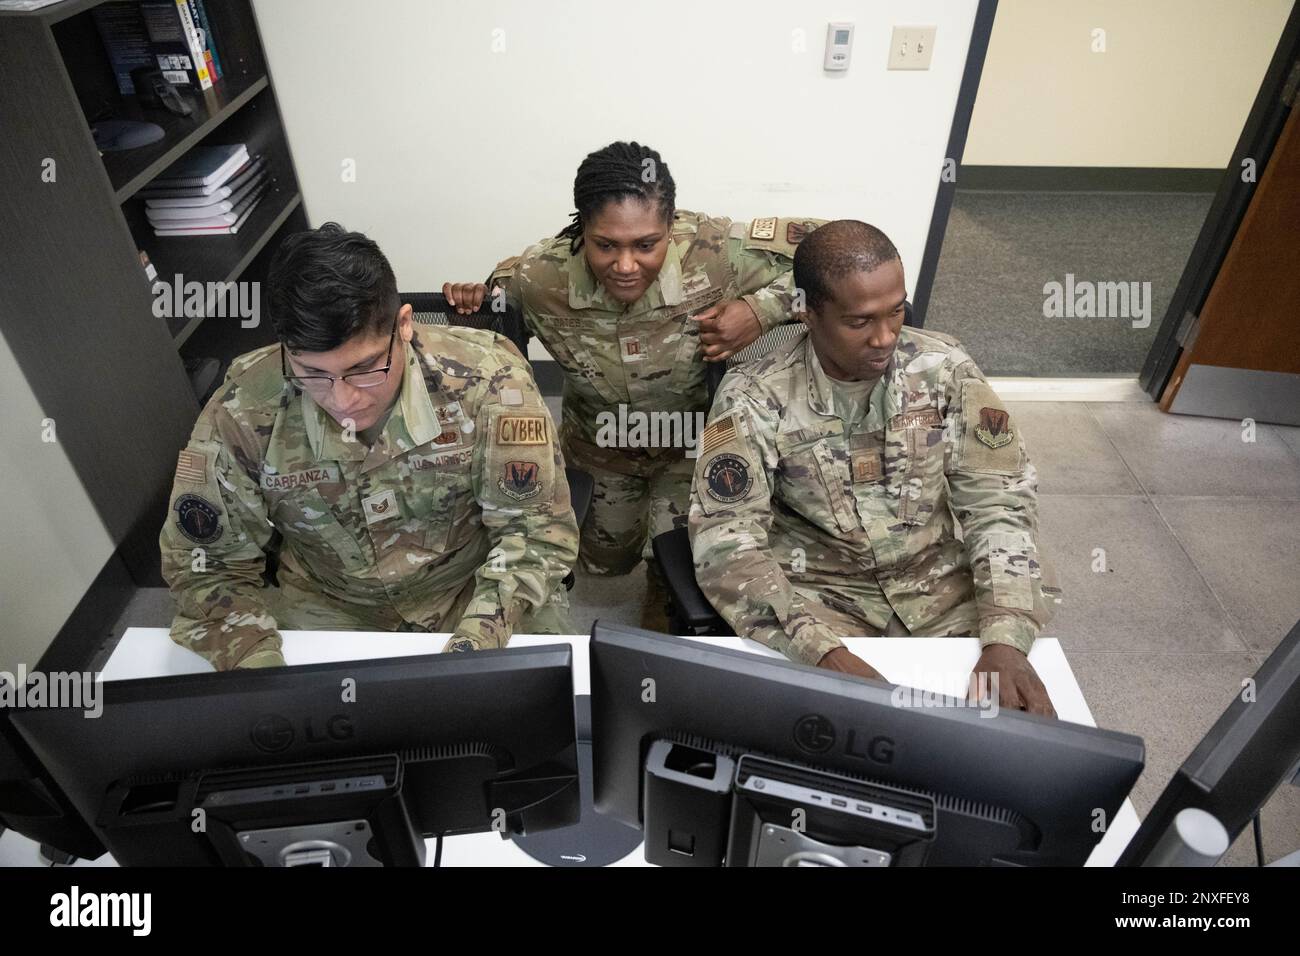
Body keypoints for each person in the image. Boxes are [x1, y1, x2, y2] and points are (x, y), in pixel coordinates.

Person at [160, 223, 577, 670]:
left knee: (536, 708)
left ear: (404, 326)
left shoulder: (489, 383)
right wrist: (261, 670)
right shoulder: (242, 409)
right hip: (328, 605)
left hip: (471, 590)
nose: (343, 399)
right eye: (312, 373)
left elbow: (534, 534)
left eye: (363, 368)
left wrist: (470, 654)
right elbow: (207, 565)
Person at [442, 140, 823, 628]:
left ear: (671, 225)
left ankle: (664, 596)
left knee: (690, 567)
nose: (626, 266)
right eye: (606, 245)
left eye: (647, 244)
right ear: (581, 227)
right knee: (604, 563)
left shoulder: (716, 251)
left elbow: (838, 255)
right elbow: (490, 332)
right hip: (601, 445)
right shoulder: (538, 278)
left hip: (692, 442)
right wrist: (470, 304)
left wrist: (759, 309)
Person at [688, 219, 1059, 715]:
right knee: (834, 743)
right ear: (809, 314)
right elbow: (726, 538)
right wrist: (820, 651)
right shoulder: (754, 396)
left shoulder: (944, 368)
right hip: (822, 598)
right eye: (860, 321)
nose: (884, 337)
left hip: (943, 590)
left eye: (896, 312)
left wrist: (1005, 637)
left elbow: (999, 499)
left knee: (1013, 743)